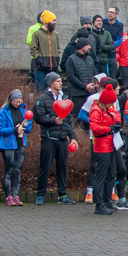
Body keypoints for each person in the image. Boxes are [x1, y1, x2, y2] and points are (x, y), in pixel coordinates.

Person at [35, 72, 78, 205]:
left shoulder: (64, 98)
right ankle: (41, 194)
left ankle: (62, 195)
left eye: (61, 80)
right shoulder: (43, 98)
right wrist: (53, 120)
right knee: (45, 167)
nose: (60, 83)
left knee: (62, 167)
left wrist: (72, 137)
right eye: (58, 81)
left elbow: (69, 120)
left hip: (62, 139)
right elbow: (38, 117)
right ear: (51, 83)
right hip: (49, 138)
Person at [87, 84, 120, 215]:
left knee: (111, 173)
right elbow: (94, 128)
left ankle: (106, 200)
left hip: (111, 145)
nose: (112, 104)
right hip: (102, 146)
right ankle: (99, 203)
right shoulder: (96, 110)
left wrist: (115, 123)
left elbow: (116, 115)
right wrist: (109, 128)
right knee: (101, 176)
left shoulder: (108, 108)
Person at [0, 89, 32, 206]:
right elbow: (0, 130)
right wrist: (14, 129)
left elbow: (29, 127)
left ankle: (16, 195)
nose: (17, 103)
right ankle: (8, 196)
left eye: (19, 101)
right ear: (11, 100)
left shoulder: (23, 109)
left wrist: (25, 127)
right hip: (7, 145)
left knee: (17, 170)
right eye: (15, 101)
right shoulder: (4, 111)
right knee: (9, 170)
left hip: (20, 143)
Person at [29, 10, 61, 91]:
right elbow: (33, 49)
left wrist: (57, 60)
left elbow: (58, 49)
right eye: (53, 20)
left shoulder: (55, 35)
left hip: (53, 68)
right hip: (40, 69)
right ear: (47, 21)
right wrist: (39, 60)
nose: (55, 22)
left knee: (53, 92)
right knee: (40, 92)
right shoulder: (37, 34)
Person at [65, 38, 98, 103]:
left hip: (90, 95)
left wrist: (95, 84)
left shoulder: (90, 59)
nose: (90, 47)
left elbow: (95, 72)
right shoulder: (71, 59)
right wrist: (85, 87)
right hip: (77, 95)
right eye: (88, 45)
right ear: (82, 47)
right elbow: (71, 76)